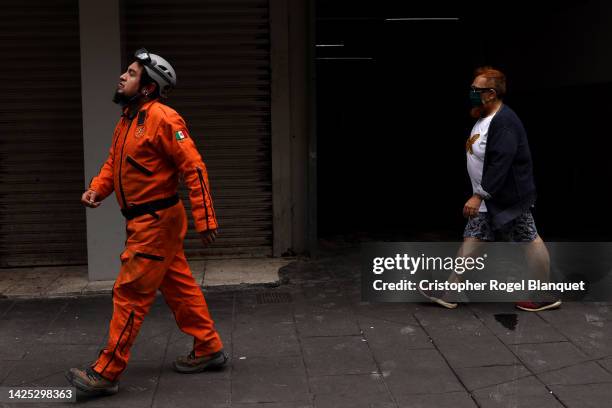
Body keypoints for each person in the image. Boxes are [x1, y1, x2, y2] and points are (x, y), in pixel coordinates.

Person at [65, 48, 228, 396]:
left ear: (148, 87)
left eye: (132, 73)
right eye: (126, 71)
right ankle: (209, 347)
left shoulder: (165, 119)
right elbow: (113, 164)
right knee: (179, 285)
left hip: (156, 222)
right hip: (148, 222)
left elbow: (194, 167)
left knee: (130, 292)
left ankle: (106, 372)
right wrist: (97, 190)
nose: (123, 76)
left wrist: (206, 217)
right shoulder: (126, 120)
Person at [420, 66, 561, 312]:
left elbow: (501, 163)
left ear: (491, 93)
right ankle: (450, 291)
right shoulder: (484, 118)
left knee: (529, 239)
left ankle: (543, 294)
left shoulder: (504, 122)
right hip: (489, 198)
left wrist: (478, 195)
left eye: (476, 89)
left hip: (509, 198)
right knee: (473, 237)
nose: (472, 93)